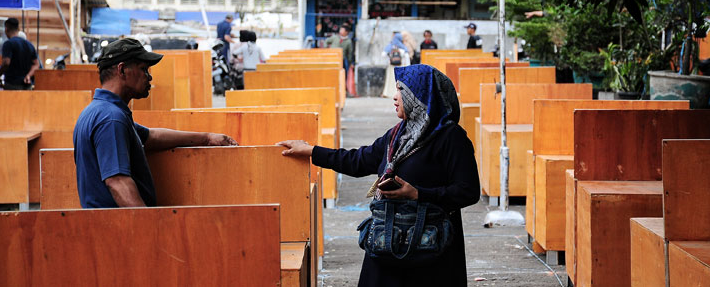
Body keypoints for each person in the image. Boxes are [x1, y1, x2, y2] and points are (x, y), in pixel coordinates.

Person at [278, 64, 479, 287]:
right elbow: (358, 161)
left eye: (401, 90)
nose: (394, 97)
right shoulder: (397, 134)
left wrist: (418, 194)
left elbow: (468, 191)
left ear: (420, 95)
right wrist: (311, 151)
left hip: (430, 250)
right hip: (389, 242)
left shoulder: (451, 138)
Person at [73, 38, 238, 208]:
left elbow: (151, 136)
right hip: (118, 229)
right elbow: (117, 182)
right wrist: (149, 226)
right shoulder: (111, 119)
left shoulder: (98, 111)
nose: (149, 76)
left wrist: (207, 138)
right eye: (143, 69)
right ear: (122, 70)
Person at [0, 18, 39, 90]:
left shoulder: (8, 44)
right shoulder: (29, 45)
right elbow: (36, 64)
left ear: (6, 29)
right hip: (27, 85)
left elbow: (6, 63)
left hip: (12, 85)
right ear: (18, 29)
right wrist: (28, 76)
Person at [381, 32, 411, 97]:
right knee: (399, 81)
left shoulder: (390, 46)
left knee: (390, 81)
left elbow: (383, 54)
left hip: (391, 66)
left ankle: (388, 93)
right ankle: (399, 93)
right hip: (401, 66)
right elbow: (406, 56)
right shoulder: (403, 47)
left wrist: (389, 56)